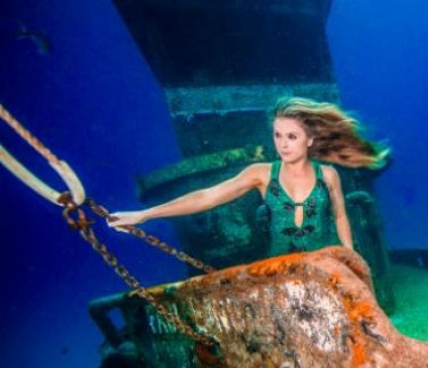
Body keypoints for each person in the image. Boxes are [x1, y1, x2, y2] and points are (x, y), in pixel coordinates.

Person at [108, 97, 390, 256]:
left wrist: (351, 256)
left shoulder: (328, 175)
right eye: (278, 135)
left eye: (292, 136)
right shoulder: (261, 174)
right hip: (280, 271)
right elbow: (207, 196)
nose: (283, 143)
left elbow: (341, 216)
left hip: (327, 264)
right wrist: (145, 215)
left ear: (309, 140)